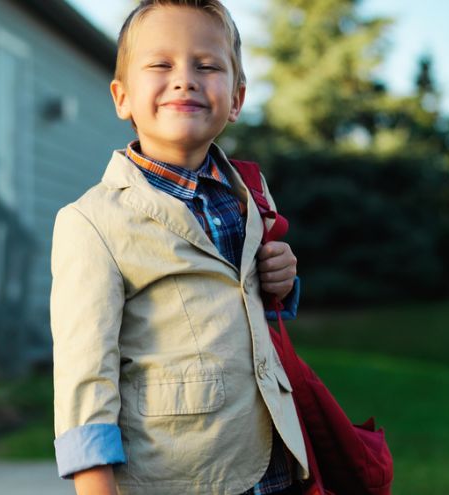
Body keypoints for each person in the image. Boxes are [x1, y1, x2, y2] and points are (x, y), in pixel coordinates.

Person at [50, 1, 308, 494]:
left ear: (235, 99)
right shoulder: (92, 222)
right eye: (161, 64)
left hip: (273, 460)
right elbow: (85, 375)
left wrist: (282, 278)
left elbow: (242, 305)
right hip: (177, 476)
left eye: (207, 66)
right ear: (122, 97)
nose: (185, 79)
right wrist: (94, 484)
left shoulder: (248, 193)